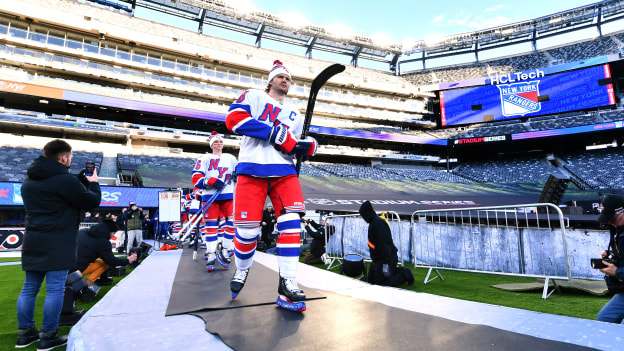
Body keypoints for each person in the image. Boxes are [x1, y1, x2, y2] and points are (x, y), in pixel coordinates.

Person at [225, 59, 317, 309]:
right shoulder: (254, 96)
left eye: (288, 78)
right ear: (271, 80)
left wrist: (308, 147)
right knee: (247, 233)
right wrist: (271, 131)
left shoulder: (295, 115)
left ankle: (287, 283)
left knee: (291, 224)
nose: (285, 80)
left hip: (284, 171)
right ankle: (242, 269)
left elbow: (296, 143)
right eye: (281, 77)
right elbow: (233, 119)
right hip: (252, 168)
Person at [16, 139, 101, 349]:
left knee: (29, 288)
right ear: (64, 158)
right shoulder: (64, 179)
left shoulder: (29, 180)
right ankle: (48, 335)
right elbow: (91, 201)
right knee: (55, 289)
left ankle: (25, 334)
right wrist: (94, 182)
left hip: (34, 239)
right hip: (58, 240)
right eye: (70, 157)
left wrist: (79, 182)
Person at [191, 131, 237, 271]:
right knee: (211, 225)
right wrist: (209, 181)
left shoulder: (231, 157)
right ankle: (211, 252)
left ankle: (224, 248)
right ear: (211, 144)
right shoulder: (204, 158)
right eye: (216, 142)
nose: (219, 143)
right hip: (210, 196)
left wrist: (238, 173)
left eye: (220, 141)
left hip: (228, 194)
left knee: (232, 222)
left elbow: (238, 174)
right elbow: (196, 177)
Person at [358, 201, 414, 287]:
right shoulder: (373, 223)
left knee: (381, 284)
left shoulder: (378, 224)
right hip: (377, 259)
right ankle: (397, 270)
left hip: (386, 258)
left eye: (363, 215)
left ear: (367, 213)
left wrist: (385, 263)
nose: (363, 218)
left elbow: (385, 244)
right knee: (371, 281)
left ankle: (405, 274)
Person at [75, 219, 137, 285]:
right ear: (111, 232)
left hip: (65, 267)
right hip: (76, 270)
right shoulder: (104, 242)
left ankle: (99, 280)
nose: (113, 235)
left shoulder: (82, 231)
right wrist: (128, 260)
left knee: (99, 260)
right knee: (105, 263)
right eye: (114, 233)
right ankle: (86, 284)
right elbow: (111, 261)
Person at [596, 195, 624, 323]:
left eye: (611, 218)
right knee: (605, 318)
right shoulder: (618, 231)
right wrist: (612, 254)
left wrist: (616, 272)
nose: (608, 222)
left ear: (621, 212)